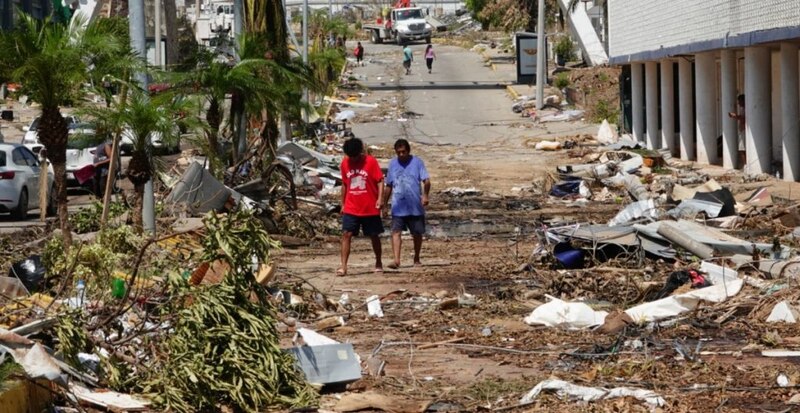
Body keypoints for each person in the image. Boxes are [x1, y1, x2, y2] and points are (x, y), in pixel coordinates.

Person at [339, 138, 385, 276]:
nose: (353, 159)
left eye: (355, 156)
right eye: (350, 156)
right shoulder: (344, 164)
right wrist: (343, 203)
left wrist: (380, 199)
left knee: (374, 235)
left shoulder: (371, 161)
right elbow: (344, 184)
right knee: (346, 234)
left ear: (360, 152)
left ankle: (378, 262)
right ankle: (343, 266)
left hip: (369, 206)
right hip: (351, 206)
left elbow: (380, 180)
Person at [383, 139, 430, 269]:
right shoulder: (393, 164)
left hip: (415, 205)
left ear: (408, 151)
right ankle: (396, 260)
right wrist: (385, 204)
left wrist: (425, 195)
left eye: (403, 152)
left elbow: (426, 181)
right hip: (398, 206)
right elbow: (389, 185)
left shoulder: (417, 162)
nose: (401, 155)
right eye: (399, 152)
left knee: (417, 233)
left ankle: (416, 258)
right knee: (395, 232)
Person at [728, 94, 745, 169]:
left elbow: (744, 119)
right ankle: (745, 165)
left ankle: (746, 166)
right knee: (741, 149)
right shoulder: (742, 109)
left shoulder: (746, 109)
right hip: (742, 130)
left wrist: (735, 116)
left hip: (744, 130)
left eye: (739, 101)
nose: (738, 103)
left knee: (742, 149)